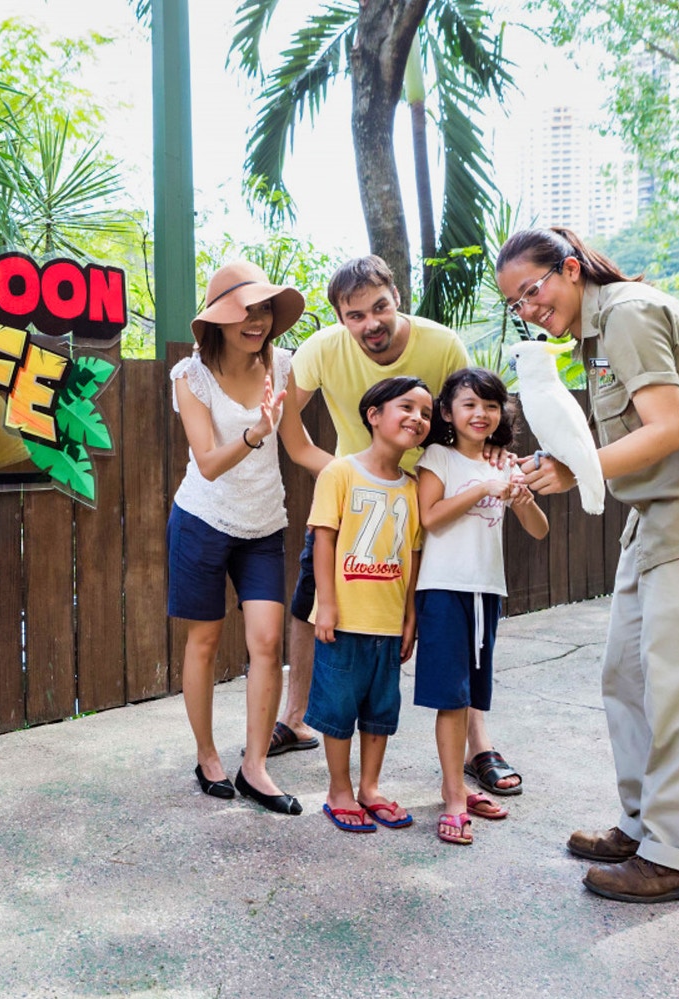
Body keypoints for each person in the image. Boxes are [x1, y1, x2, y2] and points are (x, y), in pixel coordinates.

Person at [496, 226, 679, 902]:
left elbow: (666, 428)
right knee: (625, 673)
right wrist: (560, 460)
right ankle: (643, 825)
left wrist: (575, 468)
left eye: (533, 291)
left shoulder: (626, 315)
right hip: (658, 515)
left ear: (570, 270)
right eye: (517, 305)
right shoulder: (592, 337)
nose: (530, 310)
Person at [277, 255, 526, 796]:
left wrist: (488, 471)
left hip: (433, 501)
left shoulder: (440, 344)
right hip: (355, 502)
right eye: (355, 314)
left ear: (397, 296)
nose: (371, 322)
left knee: (457, 617)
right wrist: (352, 476)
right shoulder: (321, 348)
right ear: (341, 317)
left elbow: (477, 411)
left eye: (380, 306)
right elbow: (287, 419)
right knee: (310, 603)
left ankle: (476, 746)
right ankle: (293, 719)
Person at [168, 259, 305, 815]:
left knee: (268, 643)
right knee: (203, 642)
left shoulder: (285, 367)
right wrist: (254, 431)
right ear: (219, 321)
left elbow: (299, 449)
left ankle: (255, 766)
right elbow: (206, 464)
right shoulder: (190, 376)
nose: (257, 320)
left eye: (265, 309)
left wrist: (366, 472)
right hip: (201, 520)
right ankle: (207, 756)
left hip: (263, 524)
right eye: (244, 311)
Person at [414, 368, 550, 845]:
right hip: (444, 589)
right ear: (448, 412)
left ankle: (457, 786)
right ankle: (453, 796)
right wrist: (481, 489)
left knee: (471, 694)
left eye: (491, 405)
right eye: (469, 404)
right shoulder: (438, 457)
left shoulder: (503, 463)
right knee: (450, 700)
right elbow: (429, 518)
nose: (481, 413)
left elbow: (538, 530)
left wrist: (520, 495)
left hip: (486, 592)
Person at [304, 377, 431, 833]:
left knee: (381, 710)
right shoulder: (340, 472)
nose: (417, 418)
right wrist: (329, 604)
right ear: (374, 415)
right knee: (338, 710)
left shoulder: (415, 487)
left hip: (389, 622)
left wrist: (410, 617)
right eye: (406, 407)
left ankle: (369, 787)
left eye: (426, 413)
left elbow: (413, 552)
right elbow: (323, 538)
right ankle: (338, 789)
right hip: (344, 620)